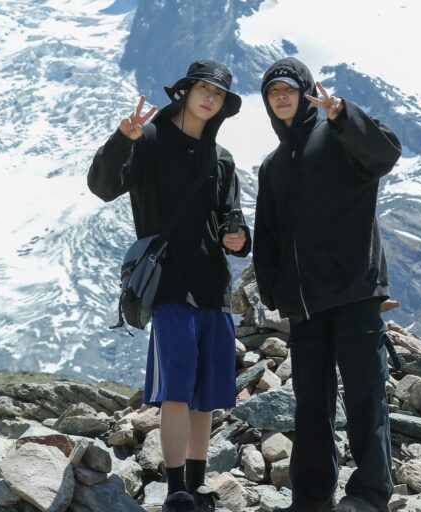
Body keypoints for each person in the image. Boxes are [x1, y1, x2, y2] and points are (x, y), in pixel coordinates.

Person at [87, 60, 251, 512]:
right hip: (169, 285)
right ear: (185, 91)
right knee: (176, 389)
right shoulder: (150, 140)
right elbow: (102, 186)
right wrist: (122, 140)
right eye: (203, 89)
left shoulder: (222, 158)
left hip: (214, 286)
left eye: (218, 94)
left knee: (206, 396)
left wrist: (239, 238)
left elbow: (233, 219)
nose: (210, 98)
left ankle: (197, 486)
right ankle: (176, 488)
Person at [252, 57, 402, 512]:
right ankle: (311, 498)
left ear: (305, 93)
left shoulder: (339, 137)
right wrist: (273, 290)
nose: (281, 97)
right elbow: (269, 234)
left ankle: (370, 494)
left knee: (365, 395)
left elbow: (386, 154)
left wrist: (343, 115)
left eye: (288, 89)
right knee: (311, 404)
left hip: (354, 291)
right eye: (272, 92)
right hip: (305, 303)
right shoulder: (273, 165)